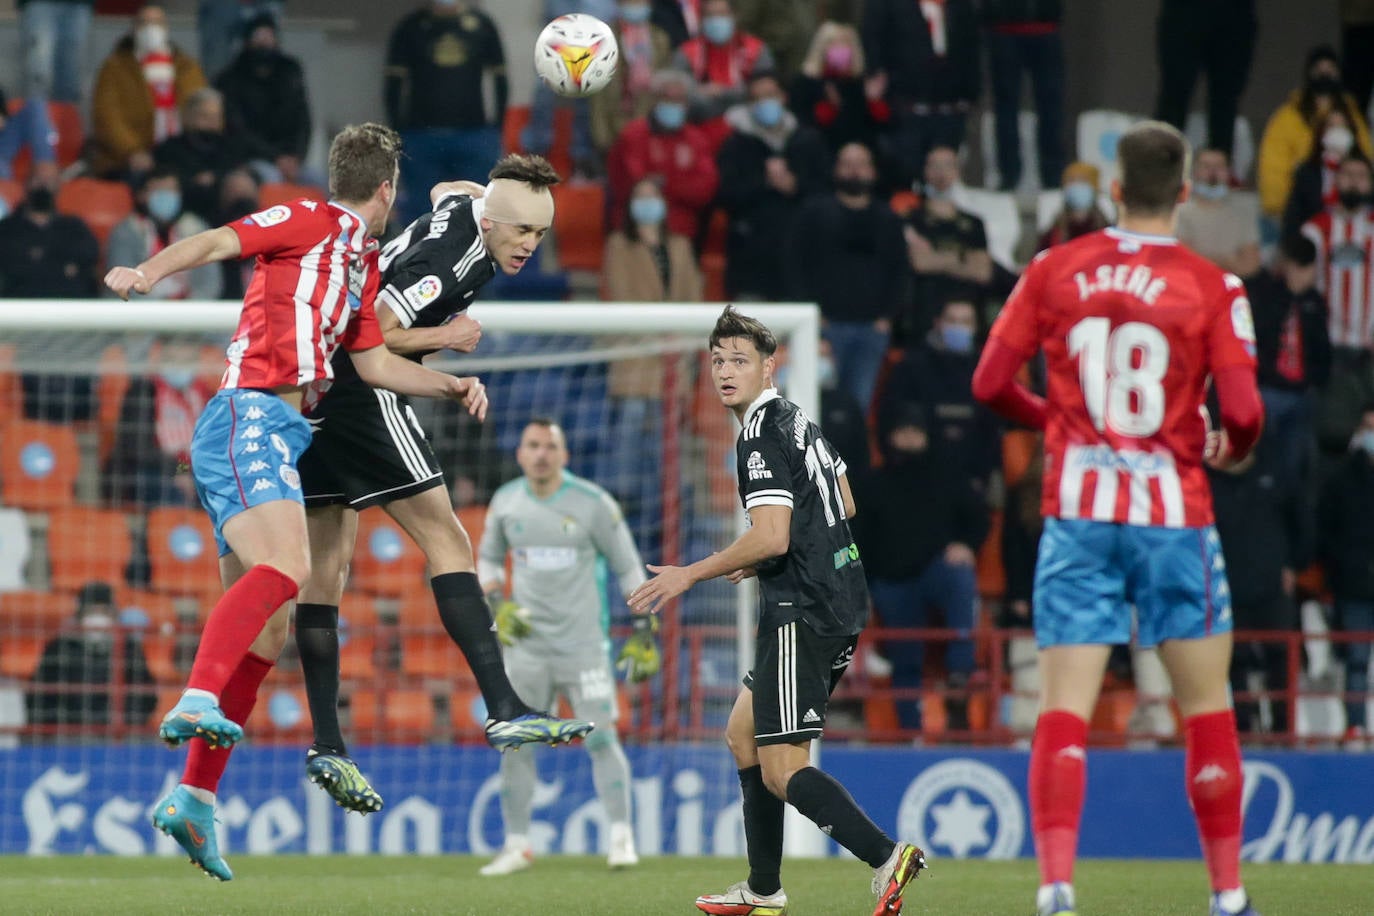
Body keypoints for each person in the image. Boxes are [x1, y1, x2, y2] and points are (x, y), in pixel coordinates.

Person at [103, 122, 489, 882]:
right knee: (290, 565)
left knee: (268, 632)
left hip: (275, 431)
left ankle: (194, 796)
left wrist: (453, 383)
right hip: (249, 414)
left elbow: (373, 361)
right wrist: (146, 274)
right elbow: (219, 240)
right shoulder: (311, 219)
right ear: (386, 191)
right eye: (393, 193)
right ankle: (194, 696)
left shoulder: (362, 263)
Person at [972, 120, 1263, 916]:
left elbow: (990, 380)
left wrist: (1051, 422)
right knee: (1206, 707)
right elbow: (1242, 410)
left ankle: (1057, 885)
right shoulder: (1215, 286)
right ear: (1185, 191)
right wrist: (1228, 448)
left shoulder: (1053, 270)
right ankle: (1229, 895)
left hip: (1080, 515)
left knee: (1063, 707)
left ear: (1111, 188)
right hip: (1176, 516)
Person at [290, 154, 594, 815]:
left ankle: (328, 744)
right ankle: (504, 706)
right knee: (449, 540)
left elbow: (446, 186)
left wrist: (485, 192)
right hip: (359, 387)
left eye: (539, 236)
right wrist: (450, 338)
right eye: (520, 233)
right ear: (493, 223)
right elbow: (382, 335)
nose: (528, 247)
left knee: (326, 569)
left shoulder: (469, 208)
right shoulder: (451, 264)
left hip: (311, 386)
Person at [629, 306, 925, 916]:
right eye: (717, 361)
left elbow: (771, 535)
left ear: (770, 365)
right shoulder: (797, 420)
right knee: (742, 735)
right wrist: (770, 552)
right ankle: (763, 890)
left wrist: (693, 571)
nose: (725, 371)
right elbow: (841, 496)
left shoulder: (759, 433)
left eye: (739, 360)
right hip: (833, 595)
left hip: (804, 608)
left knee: (781, 768)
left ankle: (885, 856)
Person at [476, 419, 651, 874]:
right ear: (520, 453)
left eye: (549, 446)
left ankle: (621, 837)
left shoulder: (593, 504)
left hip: (584, 646)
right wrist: (497, 604)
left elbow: (629, 568)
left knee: (602, 738)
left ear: (564, 455)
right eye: (532, 445)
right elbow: (489, 558)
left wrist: (644, 630)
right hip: (527, 649)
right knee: (518, 743)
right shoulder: (506, 502)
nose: (540, 454)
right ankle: (517, 845)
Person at [855, 405, 988, 734]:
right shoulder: (874, 483)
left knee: (959, 577)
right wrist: (865, 585)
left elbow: (978, 515)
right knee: (905, 659)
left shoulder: (947, 474)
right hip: (892, 580)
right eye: (903, 432)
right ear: (890, 437)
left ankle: (960, 673)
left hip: (934, 569)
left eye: (915, 432)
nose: (909, 438)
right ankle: (909, 731)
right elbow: (859, 539)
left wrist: (967, 545)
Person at [786, 141, 908, 410]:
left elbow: (900, 272)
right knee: (814, 408)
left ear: (873, 172)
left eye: (861, 164)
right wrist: (814, 319)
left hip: (870, 331)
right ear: (836, 170)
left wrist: (886, 318)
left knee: (856, 409)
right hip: (823, 330)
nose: (854, 171)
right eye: (847, 164)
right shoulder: (812, 213)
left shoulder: (888, 219)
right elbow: (795, 266)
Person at [385, 0, 507, 226]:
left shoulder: (482, 25)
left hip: (474, 134)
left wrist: (496, 129)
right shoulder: (410, 27)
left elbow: (500, 81)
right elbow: (392, 86)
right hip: (420, 136)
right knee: (420, 214)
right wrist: (397, 134)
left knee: (478, 211)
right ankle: (417, 260)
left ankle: (477, 260)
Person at [715, 69, 830, 301]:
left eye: (770, 94)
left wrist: (795, 186)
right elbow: (726, 195)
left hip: (801, 262)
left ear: (783, 97)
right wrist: (765, 183)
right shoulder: (736, 145)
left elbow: (826, 192)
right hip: (751, 265)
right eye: (757, 98)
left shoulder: (808, 140)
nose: (765, 103)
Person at [1258, 46, 1373, 225]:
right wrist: (1278, 206)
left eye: (1330, 69)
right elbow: (1273, 164)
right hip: (1304, 205)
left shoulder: (1353, 114)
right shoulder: (1288, 116)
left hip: (1353, 209)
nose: (1324, 74)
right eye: (1319, 69)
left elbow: (1367, 156)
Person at [91, 4, 208, 180]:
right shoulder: (114, 68)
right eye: (144, 23)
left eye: (157, 23)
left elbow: (203, 112)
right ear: (133, 29)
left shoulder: (188, 68)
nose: (151, 29)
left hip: (184, 156)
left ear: (166, 28)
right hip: (130, 159)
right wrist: (132, 152)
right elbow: (107, 117)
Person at [605, 69, 720, 241]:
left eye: (678, 100)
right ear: (655, 100)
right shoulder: (633, 135)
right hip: (633, 229)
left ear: (687, 104)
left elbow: (705, 188)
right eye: (667, 98)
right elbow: (634, 182)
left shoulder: (697, 140)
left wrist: (665, 183)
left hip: (683, 232)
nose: (673, 105)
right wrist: (679, 186)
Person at [1318, 405, 1374, 749]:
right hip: (1353, 586)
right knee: (1355, 660)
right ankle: (1355, 728)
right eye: (1368, 427)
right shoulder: (1340, 479)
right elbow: (1326, 531)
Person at [26, 582, 157, 728]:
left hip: (116, 732)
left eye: (103, 612)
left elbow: (146, 696)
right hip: (68, 735)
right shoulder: (59, 648)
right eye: (92, 611)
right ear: (80, 615)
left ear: (113, 614)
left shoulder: (129, 649)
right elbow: (39, 697)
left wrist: (120, 722)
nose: (98, 618)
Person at [215, 13, 314, 186]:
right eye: (258, 37)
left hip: (291, 158)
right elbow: (238, 130)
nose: (263, 43)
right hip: (252, 158)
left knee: (320, 181)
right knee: (271, 180)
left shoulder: (290, 73)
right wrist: (275, 157)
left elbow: (303, 122)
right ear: (247, 41)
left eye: (268, 37)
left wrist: (296, 156)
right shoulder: (231, 79)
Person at [1153, 0, 1256, 158]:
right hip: (1184, 10)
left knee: (1225, 103)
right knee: (1173, 98)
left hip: (1235, 13)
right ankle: (1160, 166)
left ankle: (1215, 176)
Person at [106, 167, 222, 302]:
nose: (166, 196)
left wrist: (189, 311)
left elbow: (210, 283)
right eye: (159, 191)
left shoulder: (197, 229)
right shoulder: (126, 231)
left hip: (190, 315)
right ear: (142, 195)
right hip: (141, 315)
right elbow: (122, 282)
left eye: (171, 191)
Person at [984, 0, 1065, 192]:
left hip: (1046, 28)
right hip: (1004, 29)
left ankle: (1053, 175)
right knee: (1005, 109)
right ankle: (1009, 174)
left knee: (1051, 109)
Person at [789, 21, 890, 158]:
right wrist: (830, 108)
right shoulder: (805, 83)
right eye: (833, 43)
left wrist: (873, 102)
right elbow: (803, 123)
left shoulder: (859, 84)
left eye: (845, 43)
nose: (840, 48)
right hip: (823, 149)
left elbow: (875, 128)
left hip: (860, 150)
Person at [603, 177, 704, 301]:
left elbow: (694, 290)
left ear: (663, 202)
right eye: (641, 196)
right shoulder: (618, 245)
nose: (647, 201)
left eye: (652, 195)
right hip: (639, 318)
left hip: (679, 318)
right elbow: (619, 291)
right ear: (631, 204)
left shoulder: (682, 245)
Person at [1175, 148, 1262, 280]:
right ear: (1194, 172)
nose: (1213, 172)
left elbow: (1250, 265)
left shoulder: (1243, 210)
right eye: (1206, 166)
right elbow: (1184, 259)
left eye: (1219, 166)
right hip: (1192, 283)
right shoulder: (1180, 211)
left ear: (1228, 171)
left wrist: (1205, 258)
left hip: (1235, 285)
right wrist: (1229, 261)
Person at [1281, 108, 1358, 239]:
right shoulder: (1306, 173)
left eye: (1343, 126)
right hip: (1312, 244)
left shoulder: (1364, 172)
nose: (1337, 132)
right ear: (1322, 132)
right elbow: (1293, 219)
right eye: (1332, 126)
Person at [1037, 161, 1110, 252]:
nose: (1077, 185)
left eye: (1083, 181)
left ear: (1094, 188)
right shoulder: (1054, 233)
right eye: (1072, 181)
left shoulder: (1106, 229)